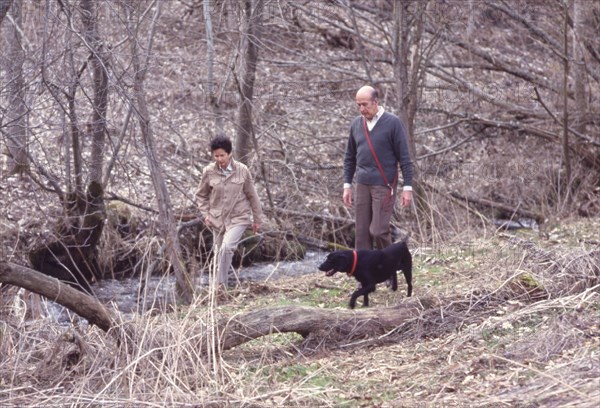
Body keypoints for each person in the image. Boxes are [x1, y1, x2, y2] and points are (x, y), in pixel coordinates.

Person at [343, 85, 413, 250]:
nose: (361, 109)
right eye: (358, 105)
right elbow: (349, 157)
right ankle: (364, 273)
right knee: (361, 233)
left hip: (384, 184)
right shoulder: (356, 125)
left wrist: (407, 187)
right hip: (362, 183)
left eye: (365, 104)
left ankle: (388, 267)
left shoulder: (393, 123)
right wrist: (347, 185)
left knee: (378, 231)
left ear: (375, 102)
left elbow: (404, 158)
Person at [197, 135, 263, 288]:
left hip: (238, 218)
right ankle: (222, 291)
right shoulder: (208, 172)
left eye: (222, 155)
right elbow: (201, 195)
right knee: (218, 253)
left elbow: (252, 196)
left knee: (227, 249)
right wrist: (206, 214)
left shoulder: (242, 170)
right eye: (216, 155)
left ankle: (218, 286)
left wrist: (257, 219)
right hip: (216, 220)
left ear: (229, 153)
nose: (219, 159)